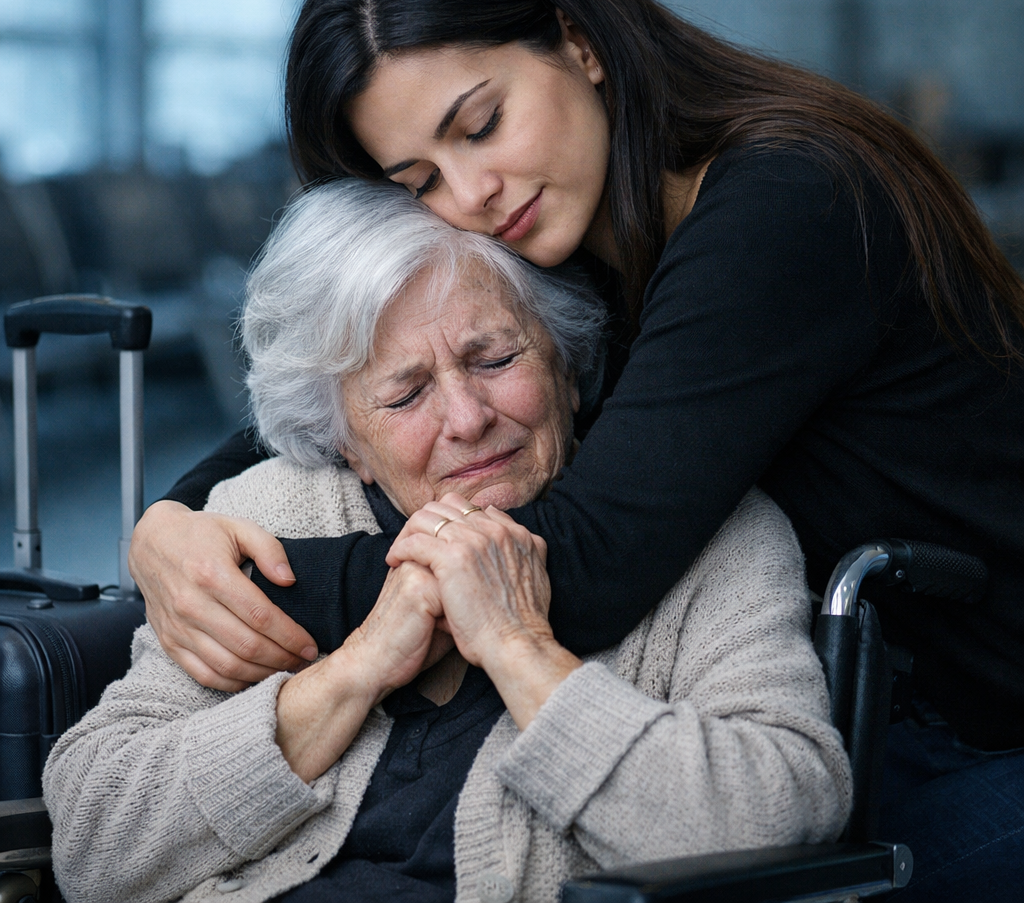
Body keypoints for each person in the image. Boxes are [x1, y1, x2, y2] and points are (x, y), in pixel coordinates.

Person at [128, 0, 1024, 898]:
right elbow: (330, 393)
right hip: (861, 694)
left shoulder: (785, 201)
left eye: (483, 123)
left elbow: (586, 565)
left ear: (579, 40)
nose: (470, 195)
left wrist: (267, 581)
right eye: (419, 179)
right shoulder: (584, 243)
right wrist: (173, 520)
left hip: (983, 734)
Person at [43, 181, 852, 903]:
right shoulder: (273, 517)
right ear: (346, 440)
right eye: (405, 395)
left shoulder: (709, 534)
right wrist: (354, 673)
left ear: (568, 363)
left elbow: (784, 814)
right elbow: (93, 840)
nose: (467, 419)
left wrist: (518, 646)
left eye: (495, 358)